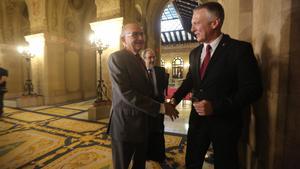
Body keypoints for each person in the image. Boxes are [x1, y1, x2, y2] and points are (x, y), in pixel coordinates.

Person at [169, 2, 263, 169]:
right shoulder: (195, 53)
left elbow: (253, 90)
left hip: (226, 123)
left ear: (214, 23)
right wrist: (173, 101)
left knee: (226, 164)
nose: (192, 29)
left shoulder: (239, 50)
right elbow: (190, 81)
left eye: (196, 23)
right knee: (192, 162)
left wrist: (216, 106)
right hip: (197, 121)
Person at [107, 23, 179, 169]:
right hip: (125, 125)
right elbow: (127, 93)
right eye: (134, 34)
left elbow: (147, 91)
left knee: (140, 164)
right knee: (122, 165)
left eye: (141, 34)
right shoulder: (116, 58)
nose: (140, 38)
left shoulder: (140, 60)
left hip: (143, 124)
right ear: (123, 39)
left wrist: (165, 105)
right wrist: (160, 107)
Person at [141, 48, 169, 163]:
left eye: (154, 57)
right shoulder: (139, 72)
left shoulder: (161, 71)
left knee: (159, 130)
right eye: (149, 57)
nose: (152, 60)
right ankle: (147, 155)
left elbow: (163, 89)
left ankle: (159, 155)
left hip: (159, 106)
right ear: (143, 59)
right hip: (145, 107)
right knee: (146, 132)